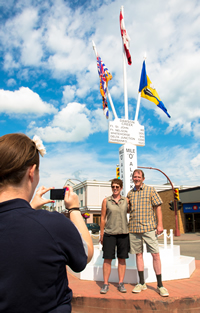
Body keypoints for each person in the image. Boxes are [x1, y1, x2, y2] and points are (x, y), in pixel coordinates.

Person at [0, 133, 93, 313]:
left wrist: (29, 206)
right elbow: (85, 253)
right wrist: (74, 209)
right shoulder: (53, 225)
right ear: (31, 171)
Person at [127, 169, 169, 297]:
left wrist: (159, 224)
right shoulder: (130, 194)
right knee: (138, 255)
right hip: (134, 229)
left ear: (143, 179)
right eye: (135, 177)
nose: (137, 178)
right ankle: (141, 283)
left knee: (155, 255)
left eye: (139, 177)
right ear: (132, 179)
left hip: (149, 228)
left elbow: (158, 207)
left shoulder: (150, 190)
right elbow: (128, 210)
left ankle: (160, 285)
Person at [100, 178, 129, 294]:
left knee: (122, 259)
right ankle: (105, 283)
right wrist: (101, 233)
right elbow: (102, 218)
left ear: (121, 188)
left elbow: (133, 213)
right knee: (107, 259)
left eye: (117, 187)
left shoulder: (126, 200)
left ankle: (121, 283)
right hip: (109, 234)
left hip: (123, 234)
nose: (115, 189)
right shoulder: (106, 201)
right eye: (113, 187)